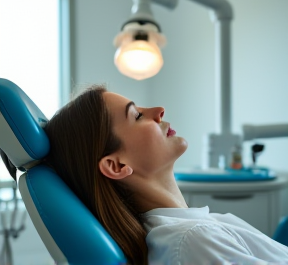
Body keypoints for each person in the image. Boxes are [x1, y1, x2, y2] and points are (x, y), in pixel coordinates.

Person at [5, 84, 288, 265]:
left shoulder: (192, 232)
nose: (158, 110)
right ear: (116, 165)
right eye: (137, 116)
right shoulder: (193, 241)